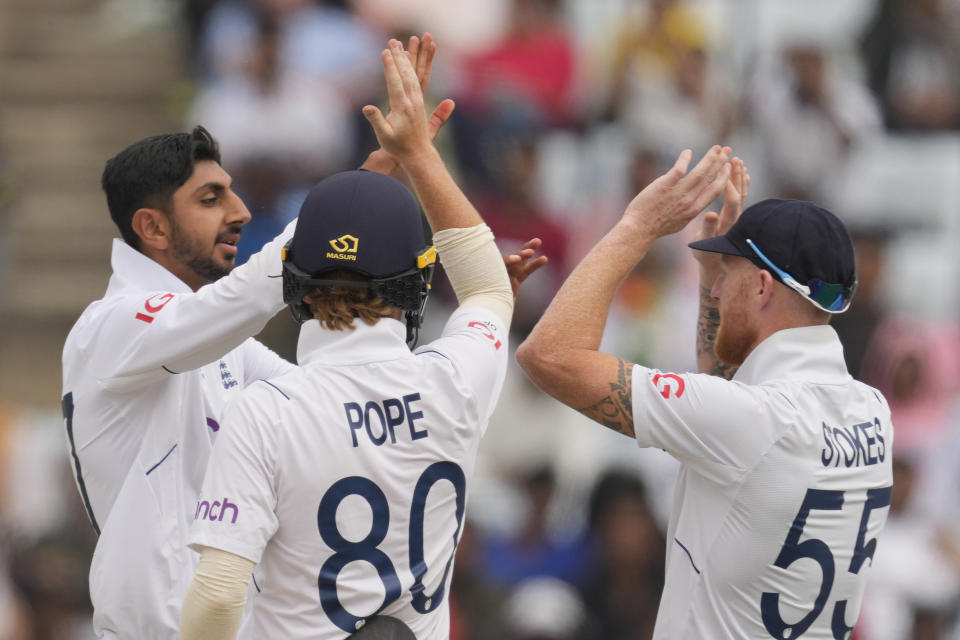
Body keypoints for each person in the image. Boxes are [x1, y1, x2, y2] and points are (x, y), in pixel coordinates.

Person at [62, 35, 539, 640]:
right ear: (151, 227)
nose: (238, 211)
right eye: (211, 199)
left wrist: (369, 229)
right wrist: (377, 209)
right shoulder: (112, 325)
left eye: (232, 191)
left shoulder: (225, 348)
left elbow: (340, 396)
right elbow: (245, 301)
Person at [516, 149, 895, 638]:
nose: (716, 291)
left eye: (727, 277)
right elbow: (731, 406)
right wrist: (711, 275)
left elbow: (547, 355)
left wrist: (638, 226)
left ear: (762, 287)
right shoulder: (873, 412)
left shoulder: (751, 419)